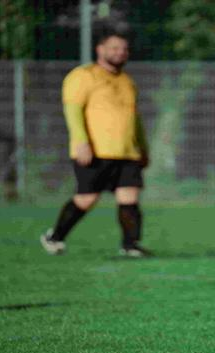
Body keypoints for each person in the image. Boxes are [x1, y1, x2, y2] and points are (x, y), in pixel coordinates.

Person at [40, 31, 150, 257]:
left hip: (127, 152)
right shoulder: (84, 75)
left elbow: (134, 119)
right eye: (114, 48)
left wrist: (143, 148)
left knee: (129, 197)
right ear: (100, 49)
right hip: (96, 151)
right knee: (86, 199)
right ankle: (55, 237)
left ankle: (130, 245)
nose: (120, 52)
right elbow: (72, 110)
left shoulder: (127, 81)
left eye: (124, 49)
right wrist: (81, 142)